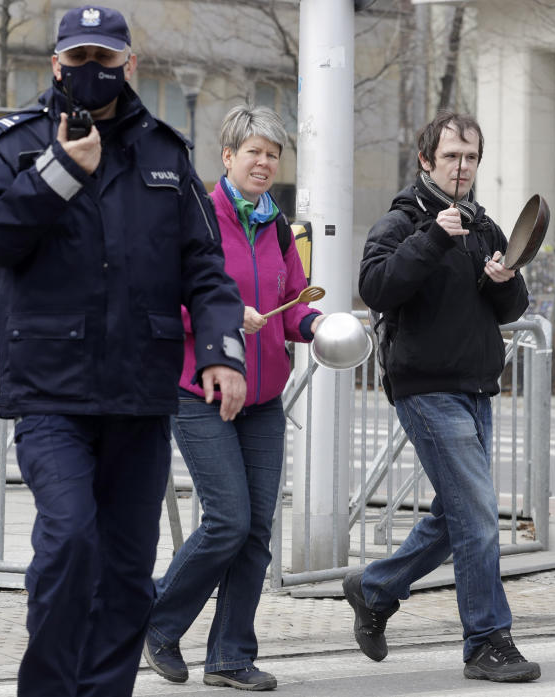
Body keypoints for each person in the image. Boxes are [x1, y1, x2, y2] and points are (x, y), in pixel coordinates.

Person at [0, 6, 247, 696]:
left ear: (130, 65)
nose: (93, 72)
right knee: (68, 542)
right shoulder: (13, 143)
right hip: (51, 393)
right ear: (56, 63)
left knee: (125, 569)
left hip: (139, 395)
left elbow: (206, 267)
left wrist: (221, 350)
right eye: (79, 59)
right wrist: (60, 171)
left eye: (106, 59)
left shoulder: (165, 152)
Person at [350, 111, 540, 683]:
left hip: (477, 385)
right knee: (479, 512)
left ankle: (376, 587)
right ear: (426, 160)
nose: (463, 167)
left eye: (472, 157)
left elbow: (511, 309)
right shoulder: (403, 220)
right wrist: (433, 238)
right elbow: (376, 287)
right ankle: (487, 641)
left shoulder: (484, 225)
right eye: (452, 156)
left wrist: (505, 282)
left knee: (456, 513)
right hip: (425, 387)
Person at [143, 105, 323, 692]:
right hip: (200, 389)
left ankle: (229, 657)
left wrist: (315, 324)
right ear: (227, 157)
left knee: (256, 533)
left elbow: (292, 300)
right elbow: (165, 298)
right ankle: (158, 623)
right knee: (227, 520)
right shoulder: (197, 215)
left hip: (265, 397)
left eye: (274, 154)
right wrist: (221, 315)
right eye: (254, 152)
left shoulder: (275, 224)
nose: (265, 163)